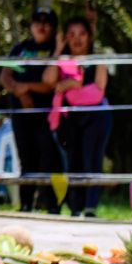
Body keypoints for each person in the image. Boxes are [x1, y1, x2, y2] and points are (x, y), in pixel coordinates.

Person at [0, 8, 64, 213]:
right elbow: (4, 76)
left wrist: (27, 87)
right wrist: (20, 92)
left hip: (47, 115)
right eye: (37, 21)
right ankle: (26, 205)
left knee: (49, 159)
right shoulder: (20, 48)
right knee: (26, 159)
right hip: (21, 114)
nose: (41, 26)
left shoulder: (57, 48)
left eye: (47, 22)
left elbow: (52, 83)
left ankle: (52, 206)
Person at [50, 16, 111, 218]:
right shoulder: (62, 61)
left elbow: (99, 91)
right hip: (71, 118)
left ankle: (90, 207)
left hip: (96, 116)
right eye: (72, 34)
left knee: (92, 161)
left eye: (82, 34)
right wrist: (58, 50)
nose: (77, 39)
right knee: (73, 162)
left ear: (89, 36)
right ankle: (75, 208)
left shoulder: (97, 59)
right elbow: (49, 81)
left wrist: (69, 86)